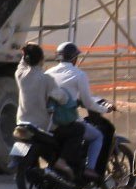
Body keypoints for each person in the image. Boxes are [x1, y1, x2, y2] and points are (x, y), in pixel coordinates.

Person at [15, 43, 89, 180]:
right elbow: (61, 97)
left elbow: (23, 62)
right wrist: (72, 101)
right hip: (42, 125)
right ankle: (62, 160)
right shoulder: (46, 79)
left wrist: (26, 51)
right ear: (41, 60)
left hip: (22, 122)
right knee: (77, 129)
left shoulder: (20, 75)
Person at [48, 41, 113, 178]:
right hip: (66, 120)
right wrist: (105, 109)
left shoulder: (48, 73)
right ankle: (89, 169)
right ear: (74, 58)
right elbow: (88, 103)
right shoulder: (79, 75)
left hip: (47, 122)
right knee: (97, 136)